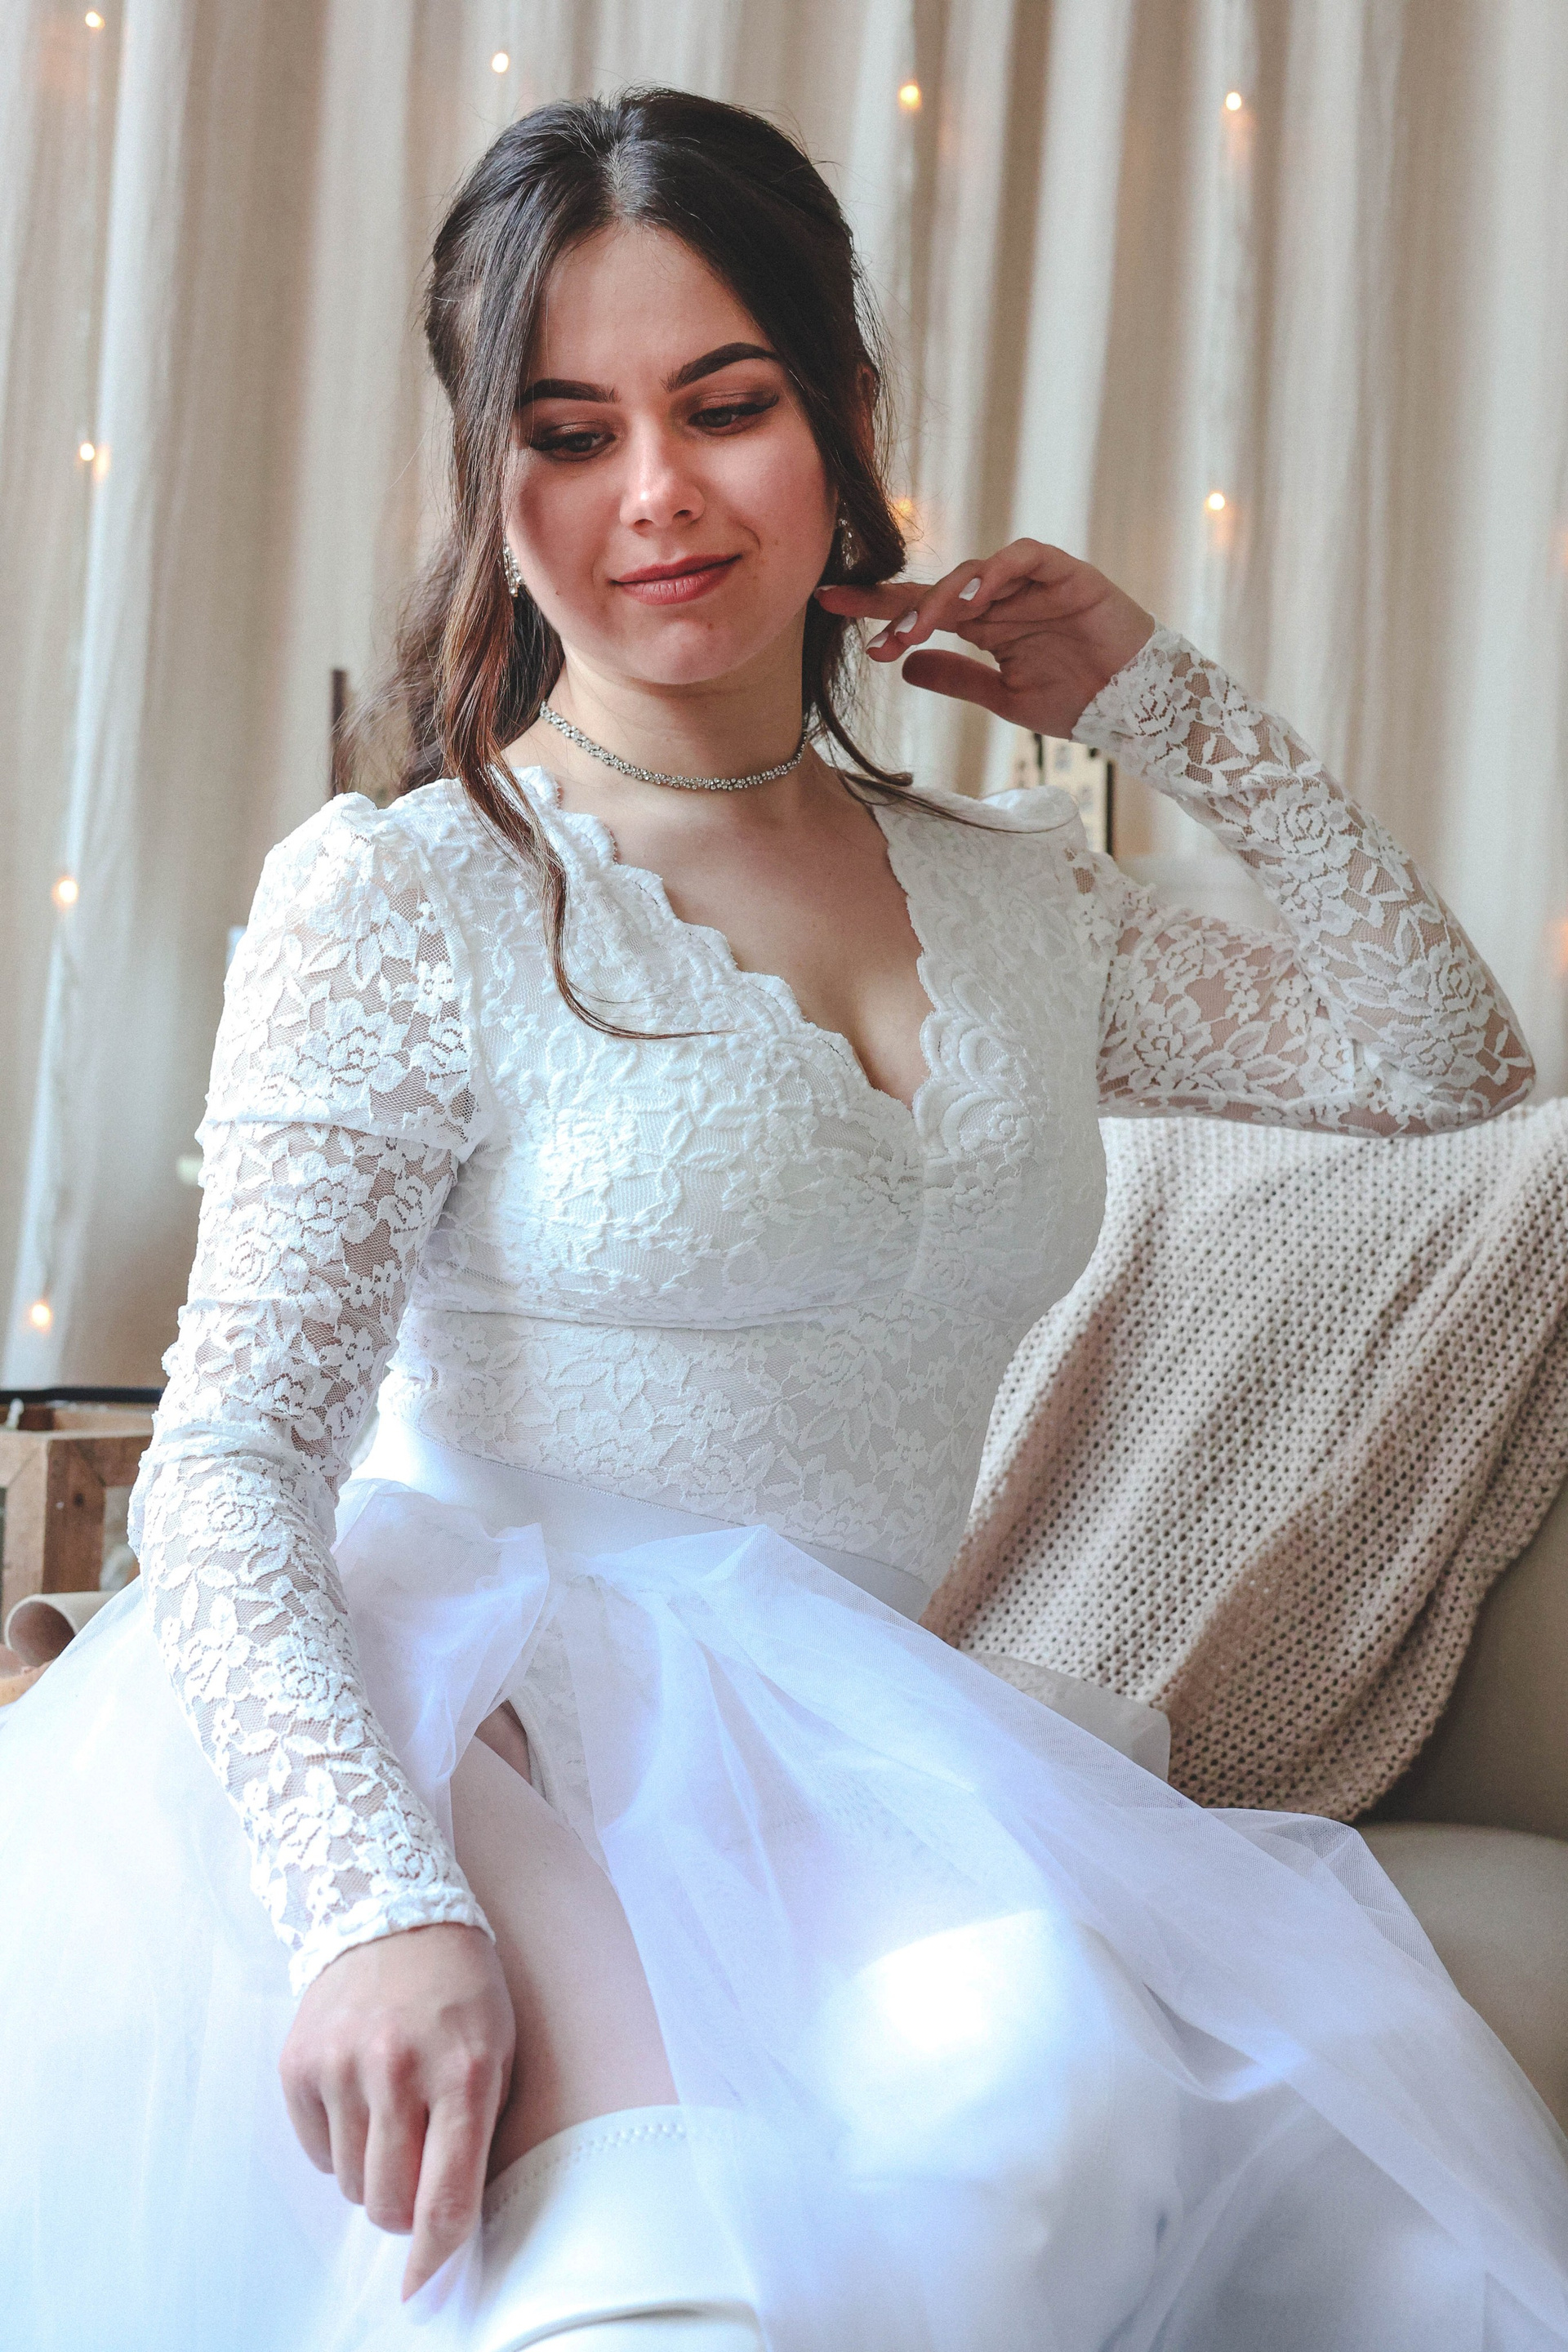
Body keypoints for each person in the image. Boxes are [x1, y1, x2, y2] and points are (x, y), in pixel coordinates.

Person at [1, 87, 1564, 2352]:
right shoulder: (409, 896)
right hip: (472, 1719)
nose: (654, 493)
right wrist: (372, 1898)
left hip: (861, 1738)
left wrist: (1166, 707)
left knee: (1097, 2142)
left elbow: (1442, 1064)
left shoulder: (1021, 899)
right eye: (568, 433)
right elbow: (235, 1461)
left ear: (845, 421)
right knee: (698, 2265)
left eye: (724, 405)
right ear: (492, 489)